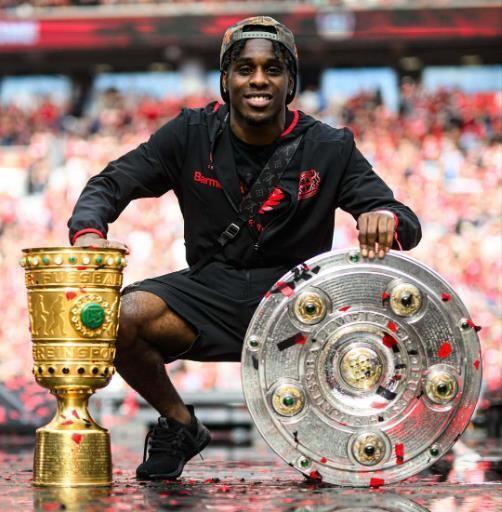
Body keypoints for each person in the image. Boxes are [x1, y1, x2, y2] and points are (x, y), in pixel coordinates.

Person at [68, 16, 421, 481]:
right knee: (120, 317)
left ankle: (335, 437)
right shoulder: (189, 133)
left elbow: (403, 220)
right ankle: (180, 424)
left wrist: (384, 219)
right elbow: (110, 183)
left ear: (290, 82)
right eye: (244, 69)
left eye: (273, 69)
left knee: (332, 468)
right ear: (225, 80)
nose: (258, 80)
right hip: (209, 293)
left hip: (298, 304)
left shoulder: (329, 146)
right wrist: (89, 232)